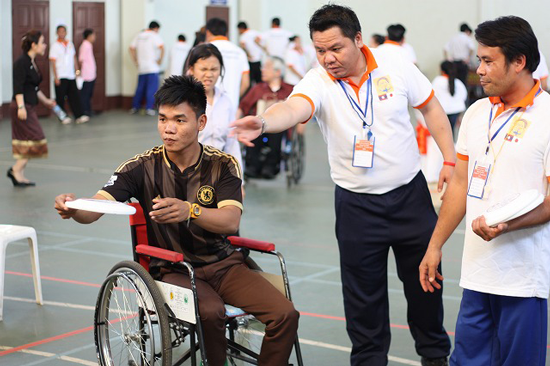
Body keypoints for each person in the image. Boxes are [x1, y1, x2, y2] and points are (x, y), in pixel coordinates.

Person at [231, 5, 454, 365]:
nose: (328, 58)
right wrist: (263, 121)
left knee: (426, 286)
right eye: (320, 50)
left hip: (410, 199)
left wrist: (449, 158)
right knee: (363, 299)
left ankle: (435, 355)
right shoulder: (317, 80)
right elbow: (292, 108)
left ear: (358, 39)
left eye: (336, 48)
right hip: (357, 206)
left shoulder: (394, 65)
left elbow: (430, 108)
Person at [54, 75, 299, 366]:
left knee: (285, 315)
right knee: (211, 312)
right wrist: (74, 209)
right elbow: (97, 206)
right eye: (163, 119)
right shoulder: (140, 168)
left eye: (180, 120)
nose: (168, 129)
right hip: (174, 270)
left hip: (224, 266)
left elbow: (230, 222)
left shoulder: (222, 165)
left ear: (201, 123)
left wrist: (190, 211)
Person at [419, 16, 550, 366]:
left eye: (488, 60)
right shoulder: (477, 113)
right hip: (477, 276)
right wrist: (435, 246)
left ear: (519, 61)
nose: (479, 69)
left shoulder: (548, 118)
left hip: (523, 282)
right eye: (479, 59)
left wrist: (508, 225)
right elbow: (460, 183)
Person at [9, 30, 56, 187]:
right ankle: (15, 170)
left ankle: (19, 173)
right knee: (35, 138)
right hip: (22, 107)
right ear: (34, 45)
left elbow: (34, 88)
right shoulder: (21, 62)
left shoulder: (31, 62)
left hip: (29, 106)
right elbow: (18, 87)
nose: (45, 45)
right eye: (42, 42)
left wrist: (46, 101)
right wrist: (21, 107)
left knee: (26, 141)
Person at [185, 44, 243, 171]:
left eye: (214, 69)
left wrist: (239, 181)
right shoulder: (183, 102)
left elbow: (231, 144)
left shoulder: (225, 102)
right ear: (191, 69)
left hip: (218, 174)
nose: (209, 74)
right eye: (203, 69)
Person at [238, 56, 293, 179]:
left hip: (280, 127)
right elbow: (243, 106)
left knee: (277, 130)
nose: (262, 70)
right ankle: (253, 166)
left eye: (267, 67)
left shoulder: (290, 90)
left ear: (277, 72)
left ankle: (271, 166)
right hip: (258, 124)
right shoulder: (257, 89)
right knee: (254, 127)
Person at [206, 18, 250, 116]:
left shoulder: (205, 50)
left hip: (207, 106)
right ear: (226, 32)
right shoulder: (239, 52)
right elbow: (246, 83)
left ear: (208, 33)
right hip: (232, 106)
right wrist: (234, 96)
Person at [49, 25, 89, 125]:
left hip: (70, 75)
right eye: (60, 31)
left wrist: (77, 71)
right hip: (60, 75)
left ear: (66, 32)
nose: (62, 33)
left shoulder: (70, 44)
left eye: (63, 31)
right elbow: (53, 62)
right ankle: (62, 117)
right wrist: (56, 77)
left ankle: (79, 115)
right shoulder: (55, 46)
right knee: (60, 98)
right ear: (57, 33)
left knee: (74, 96)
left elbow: (74, 58)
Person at [129, 21, 164, 116]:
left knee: (140, 88)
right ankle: (149, 108)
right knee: (151, 89)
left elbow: (131, 48)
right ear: (156, 28)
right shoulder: (154, 35)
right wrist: (160, 60)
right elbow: (162, 47)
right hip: (152, 67)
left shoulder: (139, 35)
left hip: (141, 67)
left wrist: (135, 60)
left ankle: (135, 107)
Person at [432, 61, 467, 137]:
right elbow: (464, 95)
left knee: (444, 134)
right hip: (456, 111)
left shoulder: (437, 81)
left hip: (443, 111)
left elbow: (432, 96)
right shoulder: (458, 82)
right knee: (452, 131)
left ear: (442, 70)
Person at [78, 28, 97, 118]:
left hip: (91, 74)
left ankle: (88, 110)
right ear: (89, 36)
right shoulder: (85, 45)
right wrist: (80, 72)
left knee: (89, 94)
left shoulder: (88, 45)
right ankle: (84, 111)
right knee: (85, 94)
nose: (94, 37)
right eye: (93, 35)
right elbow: (81, 60)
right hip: (86, 74)